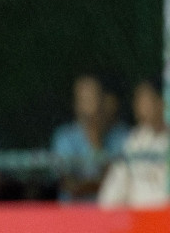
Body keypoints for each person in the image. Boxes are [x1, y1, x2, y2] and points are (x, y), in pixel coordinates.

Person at [51, 74, 128, 203]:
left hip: (111, 215)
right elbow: (68, 185)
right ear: (76, 105)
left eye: (93, 99)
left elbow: (120, 185)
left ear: (105, 102)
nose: (89, 108)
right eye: (83, 100)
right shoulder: (64, 137)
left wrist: (97, 143)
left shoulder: (123, 136)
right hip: (73, 216)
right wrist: (101, 184)